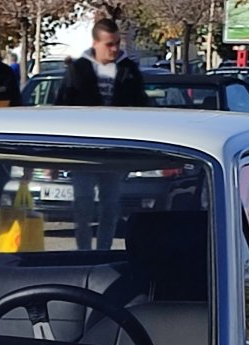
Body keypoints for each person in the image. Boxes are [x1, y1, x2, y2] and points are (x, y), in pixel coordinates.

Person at [59, 19, 150, 250]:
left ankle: (104, 250)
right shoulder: (78, 69)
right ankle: (83, 253)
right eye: (109, 44)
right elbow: (61, 107)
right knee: (83, 205)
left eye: (117, 43)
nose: (114, 49)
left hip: (114, 151)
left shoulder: (128, 69)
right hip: (83, 150)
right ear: (95, 43)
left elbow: (142, 105)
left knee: (110, 206)